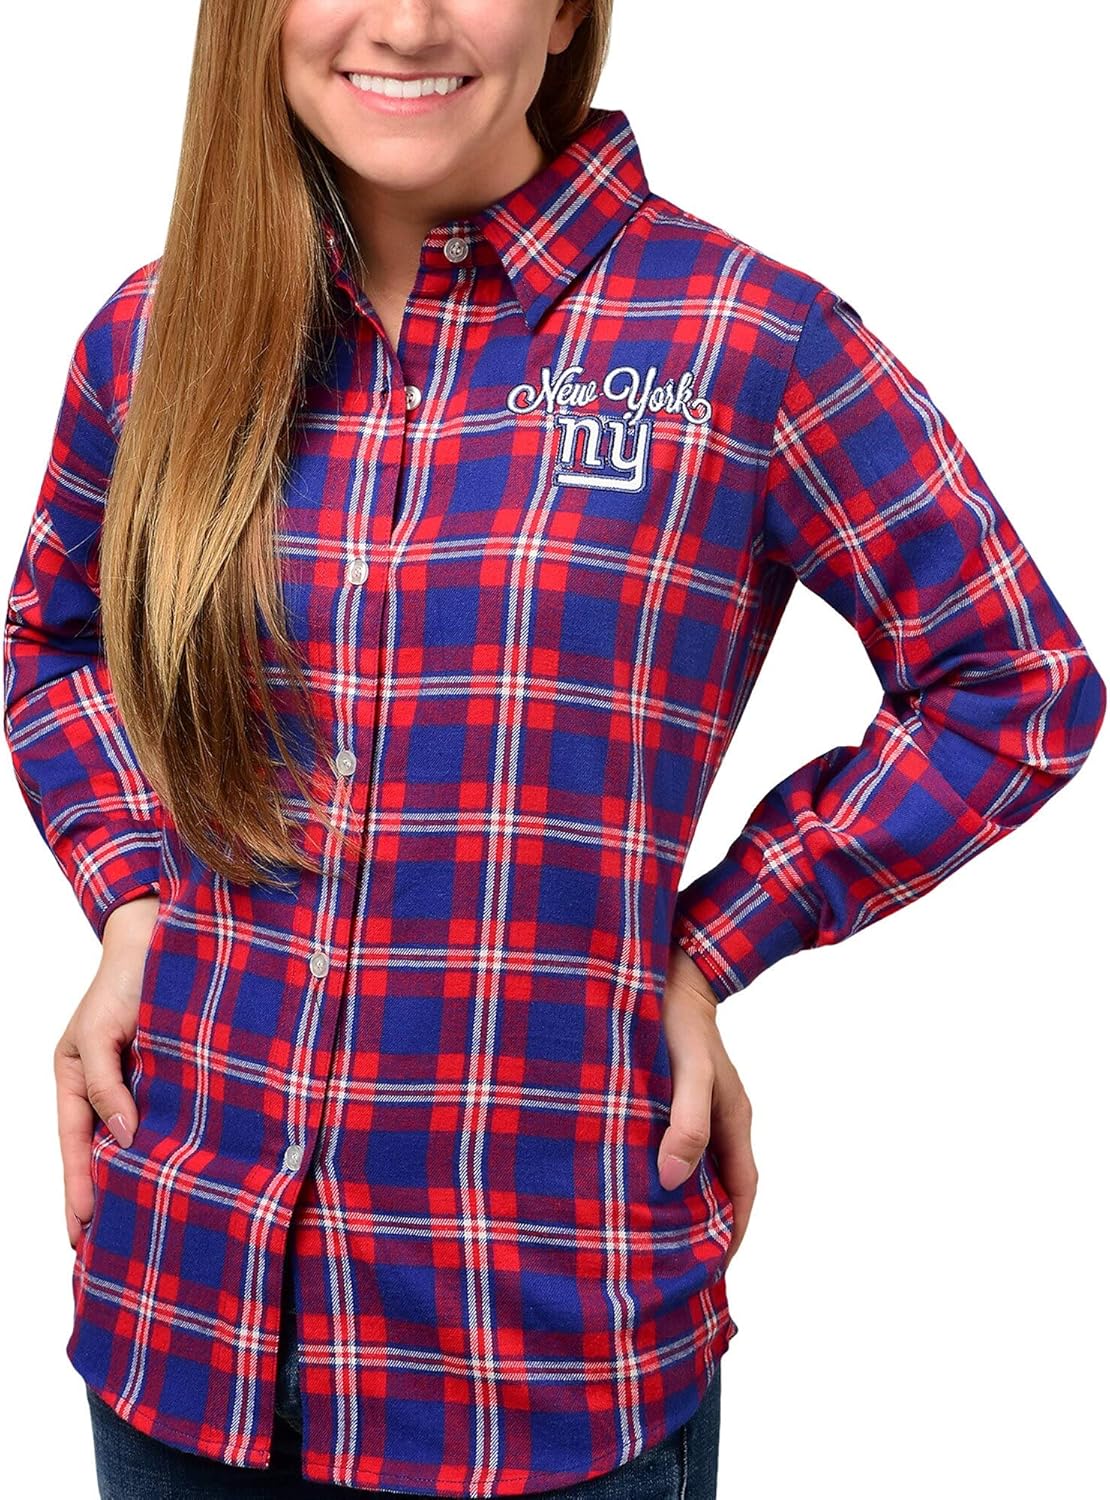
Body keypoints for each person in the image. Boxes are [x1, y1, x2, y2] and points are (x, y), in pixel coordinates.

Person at [3, 1, 1103, 1497]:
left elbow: (1012, 685)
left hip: (541, 1343)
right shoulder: (152, 339)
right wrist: (134, 893)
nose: (405, 22)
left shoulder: (740, 341)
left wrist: (701, 946)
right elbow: (55, 637)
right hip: (179, 1318)